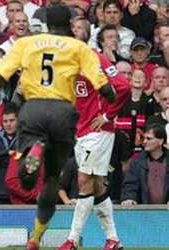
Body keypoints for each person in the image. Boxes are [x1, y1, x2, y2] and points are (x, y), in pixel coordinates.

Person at [0, 4, 116, 250]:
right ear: (69, 25)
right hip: (63, 113)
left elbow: (0, 77)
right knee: (50, 180)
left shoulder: (25, 44)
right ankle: (35, 238)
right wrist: (109, 99)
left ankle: (33, 151)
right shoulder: (79, 48)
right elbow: (104, 86)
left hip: (33, 110)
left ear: (46, 23)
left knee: (27, 180)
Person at [57, 13, 131, 250]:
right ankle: (113, 239)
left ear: (86, 35)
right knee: (97, 184)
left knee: (83, 181)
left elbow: (123, 86)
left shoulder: (96, 59)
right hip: (81, 132)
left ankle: (72, 239)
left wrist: (108, 116)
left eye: (79, 28)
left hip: (98, 131)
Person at [121, 124, 169, 206]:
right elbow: (130, 184)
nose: (145, 142)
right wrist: (129, 198)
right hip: (144, 214)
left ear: (160, 141)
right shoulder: (137, 162)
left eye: (149, 138)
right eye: (144, 138)